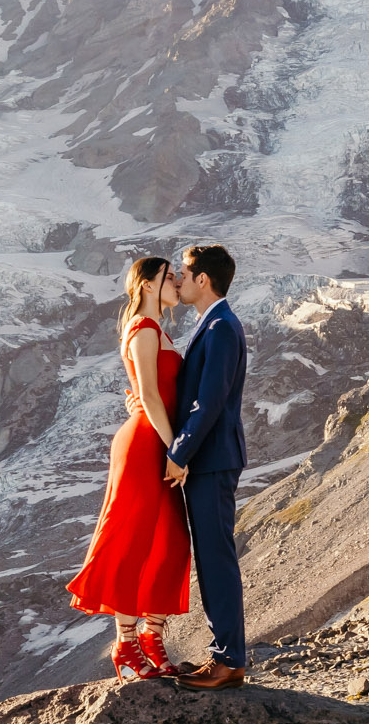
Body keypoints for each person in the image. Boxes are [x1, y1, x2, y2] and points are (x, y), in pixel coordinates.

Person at [65, 256, 191, 680]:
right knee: (132, 538)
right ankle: (125, 644)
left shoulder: (160, 330)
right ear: (149, 285)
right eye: (169, 276)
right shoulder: (142, 328)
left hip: (160, 441)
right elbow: (151, 398)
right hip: (144, 444)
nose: (176, 281)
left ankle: (153, 636)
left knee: (171, 541)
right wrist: (177, 448)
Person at [164, 243, 249, 689]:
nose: (177, 278)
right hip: (210, 458)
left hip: (211, 460)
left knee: (216, 558)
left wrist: (179, 453)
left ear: (203, 279)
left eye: (183, 272)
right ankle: (227, 657)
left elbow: (210, 401)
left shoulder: (220, 327)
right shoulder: (212, 323)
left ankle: (229, 659)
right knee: (212, 556)